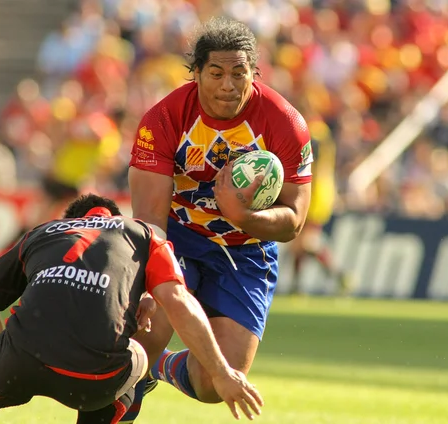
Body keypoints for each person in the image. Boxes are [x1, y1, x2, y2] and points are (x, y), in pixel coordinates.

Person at [0, 194, 263, 424]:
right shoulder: (141, 234)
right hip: (96, 377)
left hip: (21, 355)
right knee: (139, 353)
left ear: (70, 218)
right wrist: (221, 373)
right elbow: (180, 302)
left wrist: (10, 365)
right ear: (115, 217)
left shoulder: (42, 232)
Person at [125, 16, 312, 422]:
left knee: (215, 384)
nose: (228, 84)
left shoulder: (286, 123)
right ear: (195, 74)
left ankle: (163, 368)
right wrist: (142, 280)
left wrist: (242, 215)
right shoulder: (163, 119)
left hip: (246, 252)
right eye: (215, 73)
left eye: (238, 72)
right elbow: (149, 218)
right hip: (176, 238)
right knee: (141, 340)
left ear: (254, 73)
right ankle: (129, 391)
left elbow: (295, 220)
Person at [288, 117, 352, 295]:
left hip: (315, 192)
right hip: (322, 190)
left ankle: (339, 275)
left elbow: (311, 165)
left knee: (306, 242)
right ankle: (296, 286)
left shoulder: (312, 132)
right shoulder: (322, 131)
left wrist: (304, 192)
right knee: (299, 241)